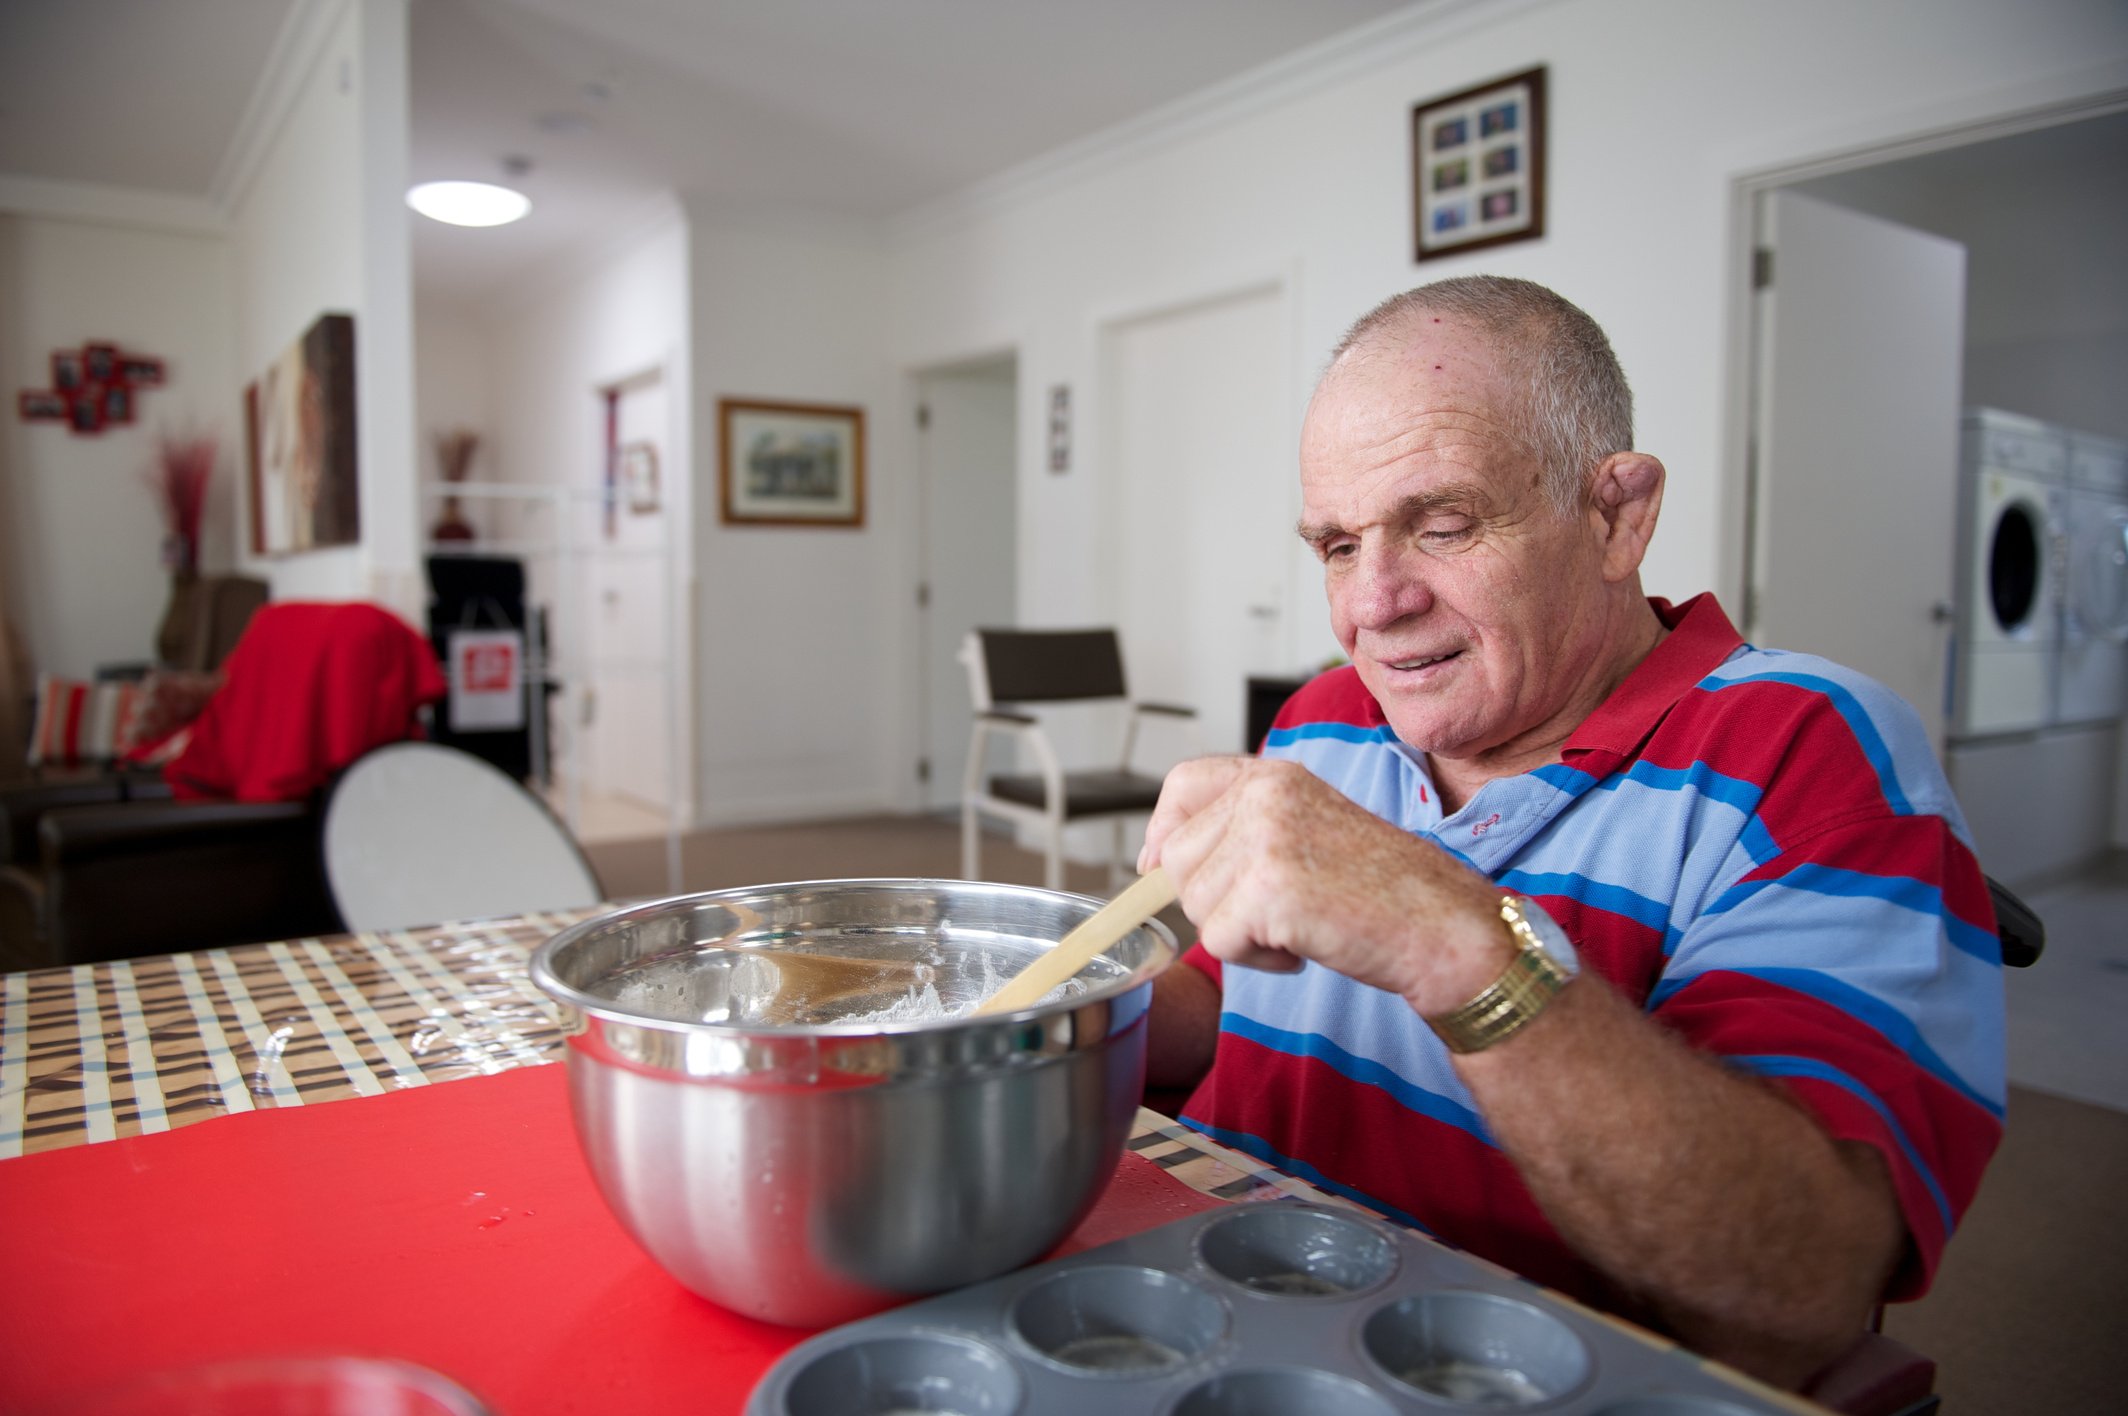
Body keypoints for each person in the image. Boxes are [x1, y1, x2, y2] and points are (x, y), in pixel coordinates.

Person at [1138, 275, 2004, 1391]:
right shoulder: (1324, 716)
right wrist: (1013, 1002)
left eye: (1442, 525)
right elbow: (1218, 1010)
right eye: (1338, 547)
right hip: (1233, 1313)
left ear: (1617, 515)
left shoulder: (1811, 756)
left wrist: (1454, 940)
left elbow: (1799, 1288)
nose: (1374, 604)